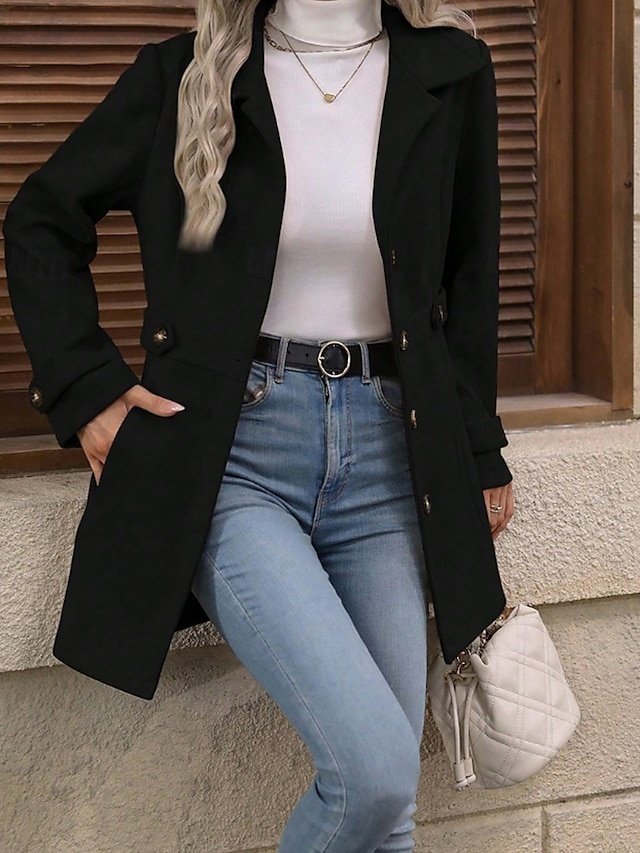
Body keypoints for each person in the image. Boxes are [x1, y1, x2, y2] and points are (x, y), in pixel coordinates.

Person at [4, 0, 515, 849]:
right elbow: (40, 222)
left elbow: (470, 277)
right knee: (374, 770)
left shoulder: (450, 71)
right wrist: (86, 390)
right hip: (236, 458)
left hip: (389, 457)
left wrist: (479, 450)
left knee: (389, 805)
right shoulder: (183, 76)